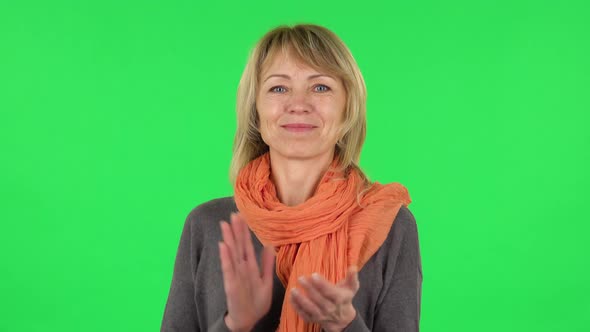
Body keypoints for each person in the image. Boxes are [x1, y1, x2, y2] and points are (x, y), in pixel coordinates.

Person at [161, 24, 422, 332]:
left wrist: (345, 324)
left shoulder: (389, 225)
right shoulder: (207, 225)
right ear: (256, 110)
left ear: (347, 108)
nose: (299, 104)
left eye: (321, 87)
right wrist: (234, 325)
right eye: (279, 88)